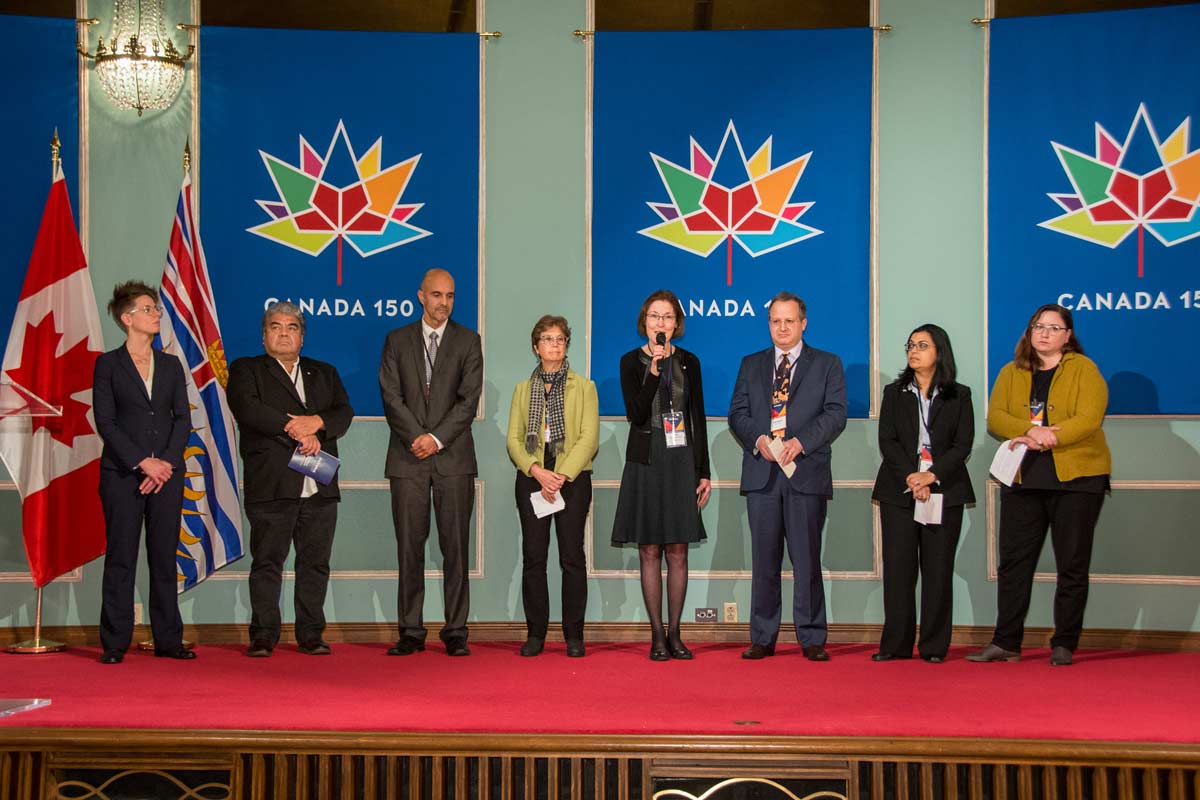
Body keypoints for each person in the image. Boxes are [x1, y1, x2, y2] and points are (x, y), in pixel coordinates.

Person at [968, 303, 1110, 667]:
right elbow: (996, 417)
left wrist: (1050, 436)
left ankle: (1064, 643)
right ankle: (1006, 642)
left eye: (1053, 327)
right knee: (1014, 563)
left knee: (1072, 564)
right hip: (1024, 479)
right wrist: (1029, 431)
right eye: (1038, 326)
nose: (1044, 333)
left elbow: (1089, 418)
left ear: (1068, 335)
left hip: (1077, 481)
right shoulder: (1011, 371)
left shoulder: (1085, 369)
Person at [227, 302, 354, 658]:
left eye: (292, 327)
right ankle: (263, 635)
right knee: (267, 562)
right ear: (264, 335)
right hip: (272, 483)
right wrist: (297, 429)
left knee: (315, 564)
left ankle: (311, 634)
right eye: (276, 326)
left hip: (319, 485)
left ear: (302, 336)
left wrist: (318, 423)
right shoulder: (246, 369)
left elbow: (343, 412)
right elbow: (248, 409)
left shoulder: (324, 372)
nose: (284, 333)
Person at [728, 291, 846, 662]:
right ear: (769, 324)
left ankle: (811, 637)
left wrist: (801, 443)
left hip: (805, 474)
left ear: (803, 324)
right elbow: (737, 414)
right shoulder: (751, 364)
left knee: (807, 561)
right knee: (764, 562)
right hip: (762, 475)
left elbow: (835, 414)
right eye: (776, 321)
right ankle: (763, 637)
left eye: (789, 321)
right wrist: (759, 440)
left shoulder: (827, 364)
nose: (782, 328)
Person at [379, 268, 483, 657]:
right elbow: (390, 396)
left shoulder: (468, 341)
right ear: (421, 296)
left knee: (455, 548)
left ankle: (456, 631)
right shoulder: (396, 340)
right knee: (409, 549)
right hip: (407, 460)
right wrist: (417, 438)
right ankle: (410, 630)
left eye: (450, 296)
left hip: (453, 460)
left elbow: (468, 401)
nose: (444, 303)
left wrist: (436, 439)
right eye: (437, 295)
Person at [92, 281, 194, 664]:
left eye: (156, 309)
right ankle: (114, 642)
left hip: (167, 475)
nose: (156, 315)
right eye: (148, 309)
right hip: (122, 474)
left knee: (164, 557)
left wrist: (164, 463)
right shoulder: (108, 364)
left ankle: (168, 639)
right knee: (121, 557)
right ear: (127, 317)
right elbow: (106, 422)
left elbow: (182, 419)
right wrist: (142, 461)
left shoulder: (170, 364)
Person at [611, 290, 711, 661]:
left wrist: (703, 471)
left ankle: (676, 633)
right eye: (655, 316)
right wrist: (653, 372)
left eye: (667, 317)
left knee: (679, 550)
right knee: (650, 549)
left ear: (676, 324)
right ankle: (656, 634)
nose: (661, 323)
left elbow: (697, 417)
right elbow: (636, 414)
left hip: (681, 458)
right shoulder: (629, 361)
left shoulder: (689, 362)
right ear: (645, 321)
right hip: (645, 458)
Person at [871, 324, 974, 664]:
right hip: (899, 488)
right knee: (899, 570)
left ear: (939, 352)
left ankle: (933, 646)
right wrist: (912, 477)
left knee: (938, 569)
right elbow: (888, 440)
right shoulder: (894, 392)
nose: (913, 351)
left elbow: (962, 445)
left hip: (944, 488)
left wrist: (931, 475)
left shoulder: (960, 395)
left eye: (922, 345)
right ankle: (896, 644)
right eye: (910, 345)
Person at [505, 315, 599, 658]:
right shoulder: (522, 389)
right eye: (547, 339)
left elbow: (589, 438)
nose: (554, 345)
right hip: (532, 480)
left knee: (572, 557)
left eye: (560, 339)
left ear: (566, 345)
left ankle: (574, 635)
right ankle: (536, 634)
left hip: (571, 481)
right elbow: (514, 440)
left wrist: (560, 475)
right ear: (536, 347)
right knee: (534, 557)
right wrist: (537, 471)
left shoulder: (584, 387)